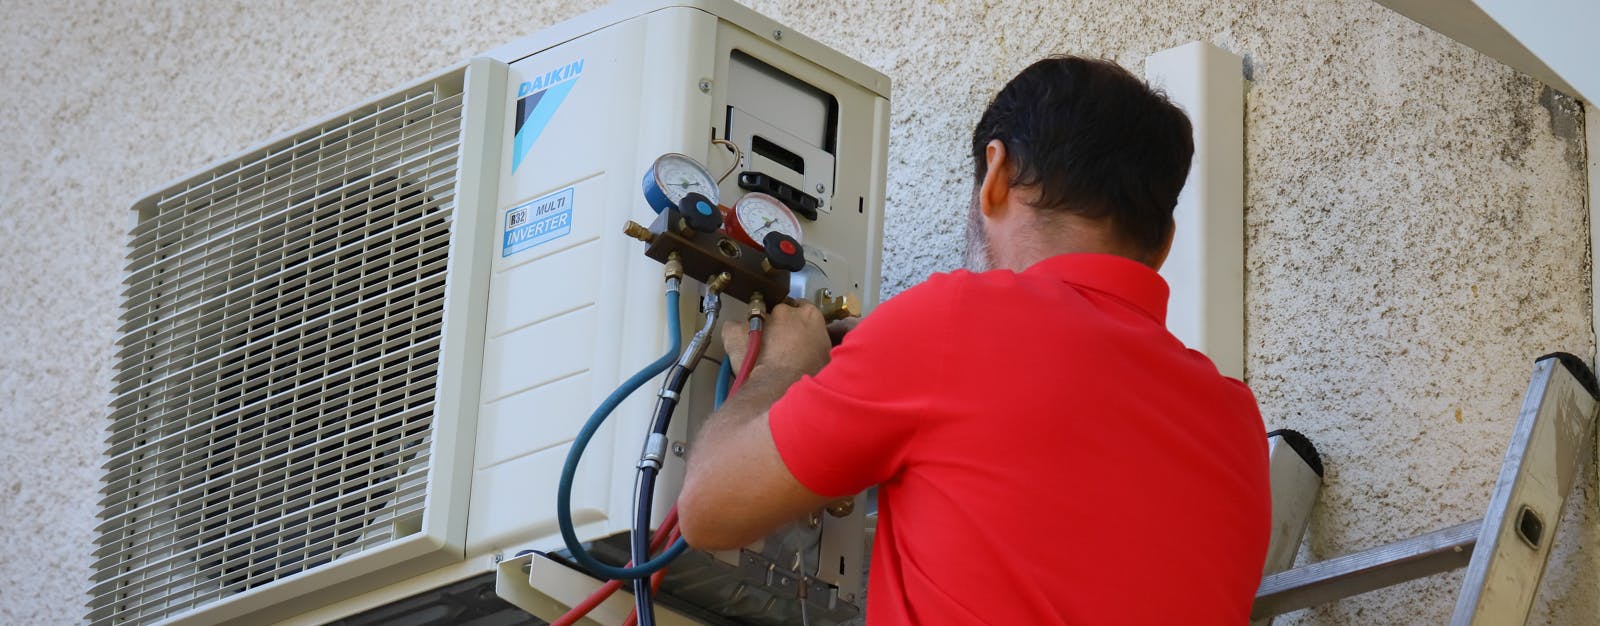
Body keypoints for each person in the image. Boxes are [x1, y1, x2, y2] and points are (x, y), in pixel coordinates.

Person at [677, 55, 1270, 625]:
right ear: (1164, 241)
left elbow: (708, 509)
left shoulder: (955, 321)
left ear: (998, 171)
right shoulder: (1234, 420)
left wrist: (782, 368)